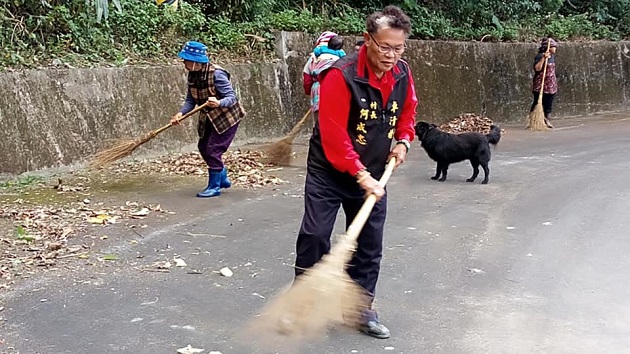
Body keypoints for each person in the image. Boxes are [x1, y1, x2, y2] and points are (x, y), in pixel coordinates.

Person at [293, 5, 417, 339]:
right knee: (315, 235)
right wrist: (362, 176)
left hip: (376, 171)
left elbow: (407, 112)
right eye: (384, 47)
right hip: (329, 172)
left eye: (398, 47)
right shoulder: (341, 75)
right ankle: (302, 304)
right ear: (367, 40)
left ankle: (360, 308)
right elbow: (334, 136)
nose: (391, 55)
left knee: (369, 243)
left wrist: (403, 141)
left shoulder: (403, 73)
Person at [170, 41, 246, 198]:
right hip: (209, 118)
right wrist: (181, 113)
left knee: (213, 149)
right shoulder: (193, 75)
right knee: (203, 146)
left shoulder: (217, 75)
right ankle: (222, 176)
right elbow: (191, 100)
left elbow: (231, 97)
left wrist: (218, 102)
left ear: (195, 61)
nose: (183, 62)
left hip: (226, 118)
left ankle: (214, 186)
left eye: (186, 60)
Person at [302, 32, 346, 122]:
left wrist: (310, 91)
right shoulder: (341, 57)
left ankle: (318, 133)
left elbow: (307, 79)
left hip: (317, 89)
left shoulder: (314, 57)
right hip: (335, 89)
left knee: (318, 120)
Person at [530, 37, 558, 128]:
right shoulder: (540, 56)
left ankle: (547, 120)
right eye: (554, 47)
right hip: (541, 84)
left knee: (548, 103)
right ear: (548, 47)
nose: (555, 49)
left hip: (551, 85)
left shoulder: (552, 56)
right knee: (537, 102)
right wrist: (543, 59)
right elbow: (537, 68)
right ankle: (533, 120)